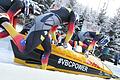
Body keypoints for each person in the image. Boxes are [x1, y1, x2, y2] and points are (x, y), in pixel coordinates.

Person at [0, 5, 76, 70]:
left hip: (42, 23)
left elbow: (52, 31)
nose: (65, 24)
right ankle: (4, 21)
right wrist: (65, 43)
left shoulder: (62, 12)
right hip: (43, 25)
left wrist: (55, 41)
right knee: (24, 48)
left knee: (48, 50)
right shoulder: (73, 15)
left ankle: (43, 70)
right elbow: (71, 31)